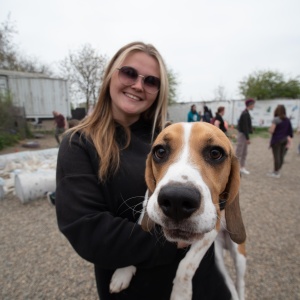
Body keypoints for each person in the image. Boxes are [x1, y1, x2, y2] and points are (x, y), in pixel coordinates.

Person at [55, 41, 232, 300]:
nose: (138, 85)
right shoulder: (78, 143)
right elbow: (86, 230)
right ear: (110, 75)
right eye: (128, 73)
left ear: (159, 91)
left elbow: (218, 198)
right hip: (138, 290)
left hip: (202, 283)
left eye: (151, 81)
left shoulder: (171, 135)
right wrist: (178, 241)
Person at [267, 104, 293, 178]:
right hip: (285, 140)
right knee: (281, 156)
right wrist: (290, 141)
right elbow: (290, 132)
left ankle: (276, 172)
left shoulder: (276, 119)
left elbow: (272, 130)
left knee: (277, 156)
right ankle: (278, 170)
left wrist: (269, 130)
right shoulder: (287, 120)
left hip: (276, 140)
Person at [235, 98, 255, 175]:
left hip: (244, 134)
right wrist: (247, 138)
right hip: (242, 135)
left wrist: (250, 130)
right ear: (249, 105)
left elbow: (247, 126)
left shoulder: (246, 113)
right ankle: (235, 169)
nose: (253, 106)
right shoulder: (245, 113)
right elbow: (245, 127)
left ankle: (242, 167)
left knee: (244, 152)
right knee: (239, 152)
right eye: (253, 104)